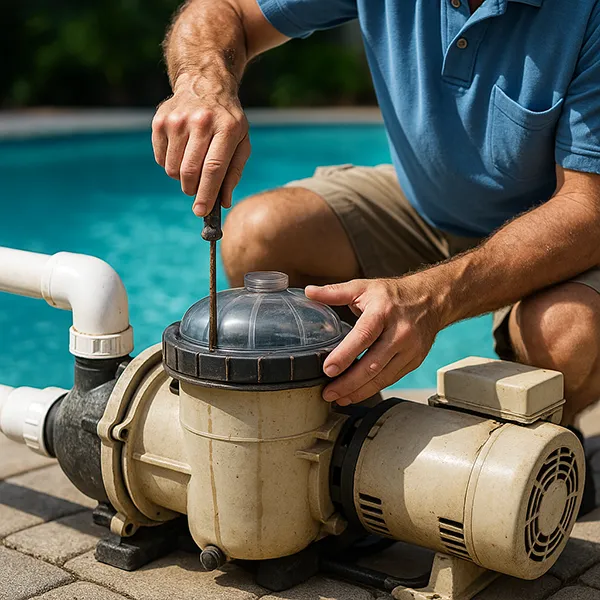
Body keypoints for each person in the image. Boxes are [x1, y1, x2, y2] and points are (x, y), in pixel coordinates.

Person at [151, 0, 600, 510]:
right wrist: (203, 82)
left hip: (556, 227)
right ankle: (340, 438)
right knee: (258, 235)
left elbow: (588, 210)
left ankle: (547, 447)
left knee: (566, 333)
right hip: (422, 201)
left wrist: (430, 299)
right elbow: (224, 9)